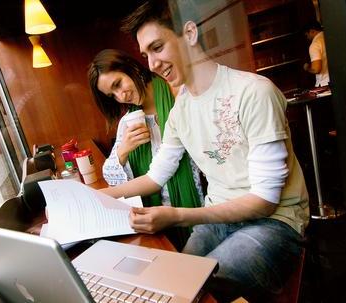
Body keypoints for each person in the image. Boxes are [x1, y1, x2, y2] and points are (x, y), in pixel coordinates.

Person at [100, 1, 310, 301]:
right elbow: (155, 177)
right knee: (170, 285)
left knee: (194, 291)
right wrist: (94, 197)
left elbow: (265, 201)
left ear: (189, 34)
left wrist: (177, 216)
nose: (152, 64)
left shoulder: (254, 92)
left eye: (158, 47)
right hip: (218, 220)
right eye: (146, 55)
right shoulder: (179, 113)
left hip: (276, 224)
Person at [88, 49, 204, 249]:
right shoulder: (128, 121)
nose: (120, 96)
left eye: (118, 84)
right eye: (112, 94)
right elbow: (110, 176)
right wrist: (123, 150)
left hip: (198, 207)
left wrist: (93, 197)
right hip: (155, 216)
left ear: (131, 68)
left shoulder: (177, 96)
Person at [303, 21, 329, 87]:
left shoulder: (315, 45)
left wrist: (307, 68)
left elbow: (316, 69)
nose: (307, 38)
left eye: (307, 35)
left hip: (324, 83)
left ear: (312, 31)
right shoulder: (330, 37)